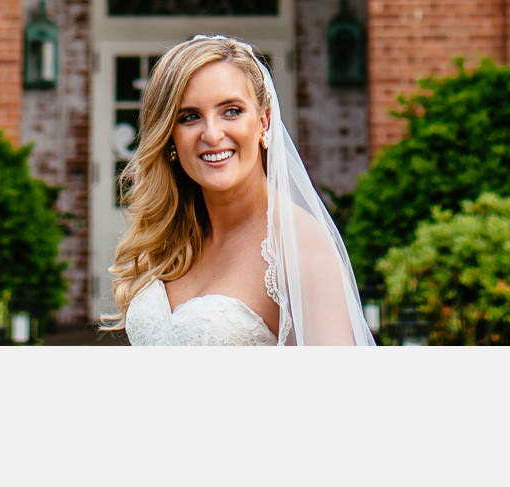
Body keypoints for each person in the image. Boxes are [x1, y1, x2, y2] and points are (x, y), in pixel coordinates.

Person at [106, 33, 375, 346]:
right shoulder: (171, 237)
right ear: (170, 138)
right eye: (190, 117)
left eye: (231, 111)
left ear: (264, 121)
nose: (212, 133)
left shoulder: (298, 246)